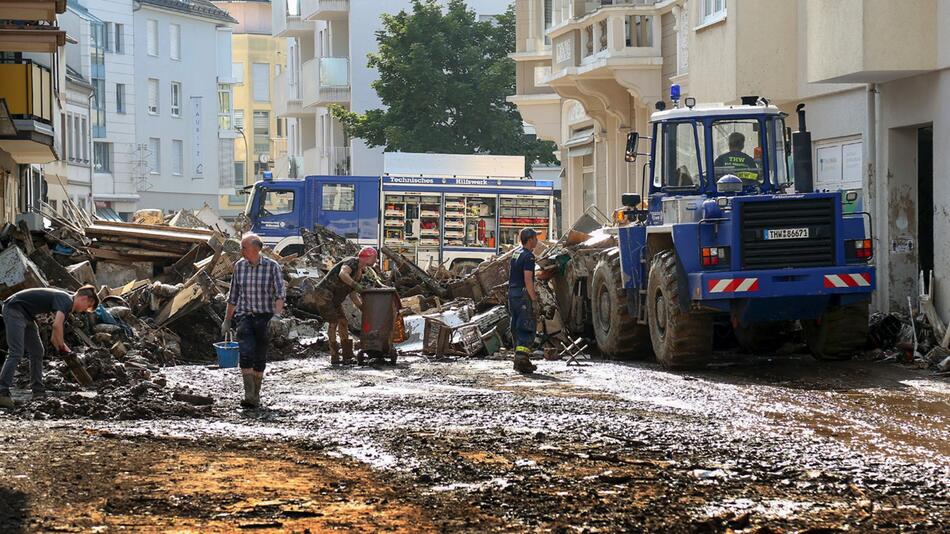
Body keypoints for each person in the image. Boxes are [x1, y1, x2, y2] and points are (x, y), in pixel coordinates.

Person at [0, 286, 99, 408]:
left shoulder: (66, 308)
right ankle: (2, 391)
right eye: (87, 306)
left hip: (27, 315)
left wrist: (66, 352)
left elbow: (54, 338)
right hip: (14, 308)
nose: (84, 310)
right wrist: (62, 347)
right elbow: (57, 326)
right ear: (84, 298)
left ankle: (38, 391)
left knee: (37, 351)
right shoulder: (66, 299)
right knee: (16, 352)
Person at [222, 233, 286, 409]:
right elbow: (233, 295)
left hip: (265, 317)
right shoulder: (239, 267)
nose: (241, 251)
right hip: (244, 316)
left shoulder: (272, 267)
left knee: (260, 356)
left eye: (244, 247)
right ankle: (248, 394)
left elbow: (280, 294)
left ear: (256, 249)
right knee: (245, 353)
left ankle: (255, 395)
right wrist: (227, 320)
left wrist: (276, 316)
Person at [312, 247, 377, 365]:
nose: (375, 260)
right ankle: (334, 355)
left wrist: (363, 308)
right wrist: (356, 285)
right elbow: (343, 274)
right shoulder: (352, 262)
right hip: (324, 294)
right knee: (333, 322)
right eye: (374, 257)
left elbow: (352, 295)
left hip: (335, 299)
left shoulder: (359, 274)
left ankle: (347, 355)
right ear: (367, 257)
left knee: (343, 322)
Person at [508, 228, 540, 374]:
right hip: (522, 295)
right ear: (530, 239)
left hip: (512, 294)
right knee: (526, 326)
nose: (537, 241)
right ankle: (522, 361)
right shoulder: (529, 257)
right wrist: (533, 300)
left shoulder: (516, 253)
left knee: (515, 325)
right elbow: (528, 279)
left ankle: (518, 359)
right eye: (535, 238)